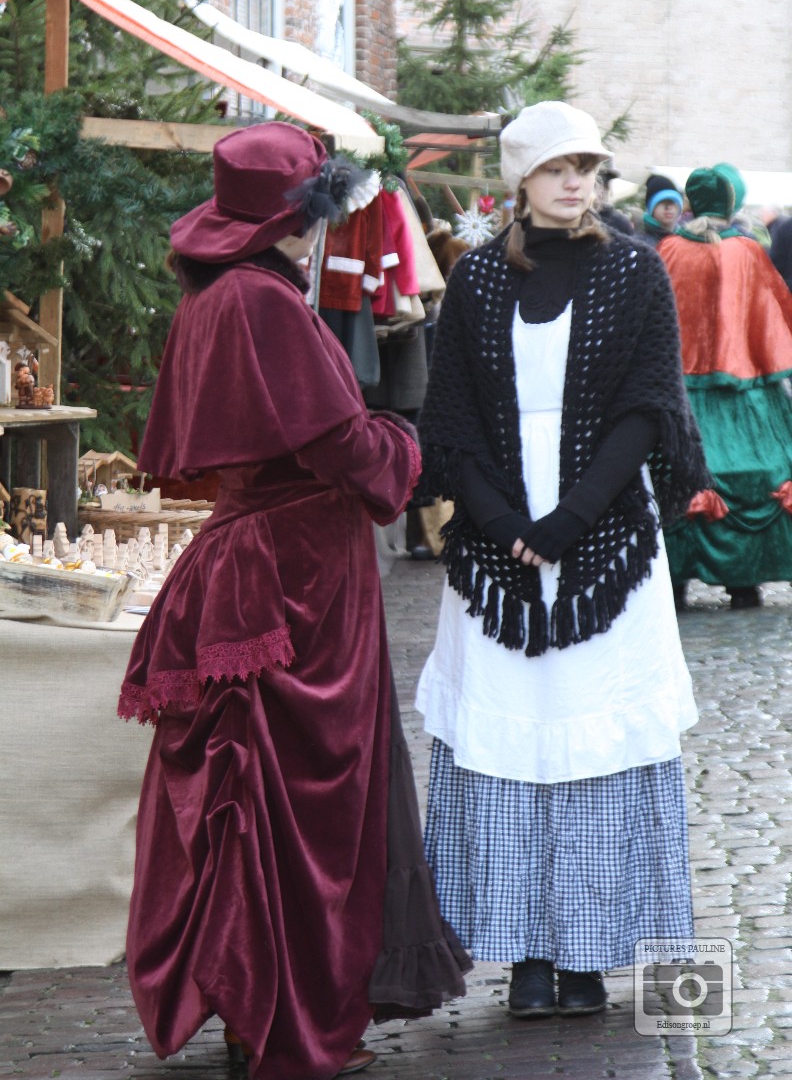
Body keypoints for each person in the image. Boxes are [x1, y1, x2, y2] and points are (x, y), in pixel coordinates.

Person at [117, 121, 470, 1080]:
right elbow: (338, 444)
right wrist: (404, 446)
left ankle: (261, 1014)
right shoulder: (261, 301)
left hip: (259, 558)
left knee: (268, 797)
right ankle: (288, 1022)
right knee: (305, 799)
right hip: (297, 577)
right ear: (297, 217)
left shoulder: (216, 296)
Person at [415, 100, 709, 1020]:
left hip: (606, 531)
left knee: (596, 735)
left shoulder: (634, 270)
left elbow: (648, 408)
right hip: (498, 543)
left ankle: (589, 954)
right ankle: (527, 958)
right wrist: (505, 520)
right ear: (521, 179)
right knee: (510, 740)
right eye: (555, 166)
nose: (576, 181)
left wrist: (573, 518)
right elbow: (452, 419)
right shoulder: (475, 282)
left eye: (587, 165)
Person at [657, 166, 792, 610]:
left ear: (690, 201)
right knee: (760, 473)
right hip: (744, 394)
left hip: (680, 393)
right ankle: (744, 583)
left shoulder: (669, 249)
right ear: (731, 203)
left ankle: (674, 582)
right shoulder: (747, 250)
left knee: (674, 472)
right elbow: (774, 314)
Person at [639, 173, 683, 247]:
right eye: (661, 202)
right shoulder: (642, 244)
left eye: (672, 202)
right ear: (651, 209)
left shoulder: (685, 239)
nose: (668, 207)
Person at [593, 160, 633, 234]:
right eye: (594, 184)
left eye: (605, 185)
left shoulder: (620, 223)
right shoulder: (572, 219)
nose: (601, 191)